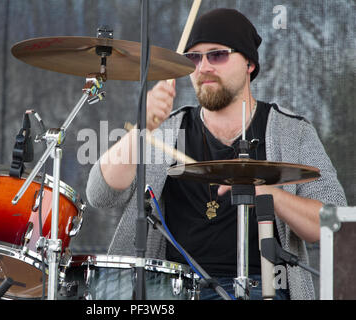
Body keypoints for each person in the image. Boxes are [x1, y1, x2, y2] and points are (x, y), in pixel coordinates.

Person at [85, 8, 347, 300]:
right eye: (193, 57)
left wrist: (267, 193)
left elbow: (332, 225)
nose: (203, 66)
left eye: (217, 55)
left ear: (249, 63)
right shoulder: (166, 132)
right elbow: (100, 194)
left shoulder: (291, 132)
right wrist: (141, 126)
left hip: (263, 288)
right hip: (173, 291)